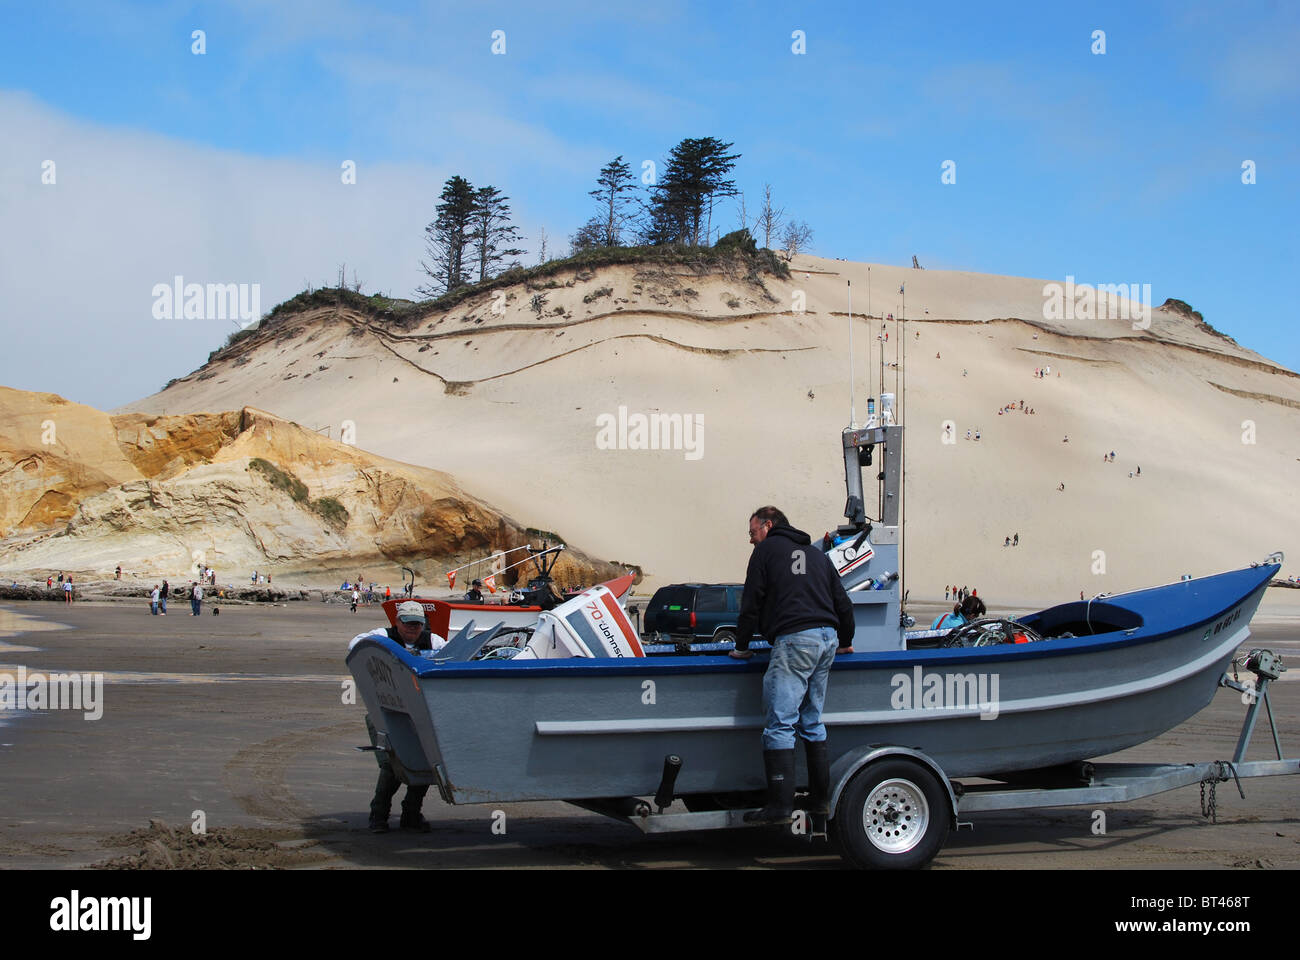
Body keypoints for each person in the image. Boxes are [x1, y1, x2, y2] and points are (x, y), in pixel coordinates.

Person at [728, 506, 854, 826]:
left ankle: (780, 806)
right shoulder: (815, 554)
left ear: (768, 526)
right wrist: (845, 639)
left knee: (780, 723)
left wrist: (741, 646)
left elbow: (752, 601)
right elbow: (842, 602)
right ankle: (819, 802)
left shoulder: (766, 551)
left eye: (752, 532)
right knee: (811, 721)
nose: (751, 540)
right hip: (826, 639)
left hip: (795, 639)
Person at [352, 600, 447, 833]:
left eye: (417, 624)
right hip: (385, 713)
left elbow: (451, 660)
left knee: (424, 764)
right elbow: (355, 645)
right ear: (397, 622)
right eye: (407, 623)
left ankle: (411, 814)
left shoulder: (435, 641)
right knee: (391, 767)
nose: (413, 628)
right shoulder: (381, 636)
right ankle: (378, 816)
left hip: (420, 714)